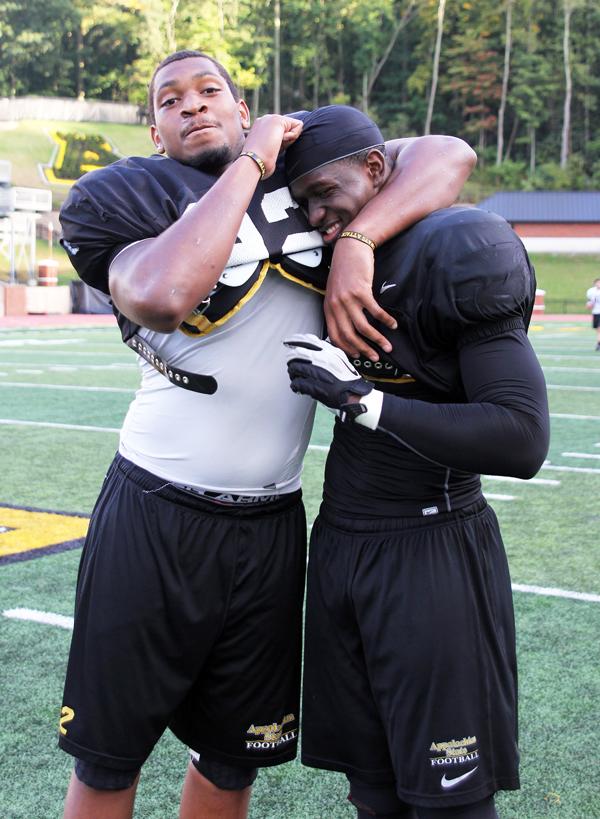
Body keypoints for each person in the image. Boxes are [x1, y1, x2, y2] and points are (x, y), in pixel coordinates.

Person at [57, 53, 475, 819]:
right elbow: (162, 293)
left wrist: (357, 239)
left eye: (209, 91)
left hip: (273, 519)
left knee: (231, 757)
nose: (193, 106)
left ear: (244, 105)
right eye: (171, 101)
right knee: (109, 758)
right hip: (156, 508)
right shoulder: (123, 192)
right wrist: (250, 162)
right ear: (154, 129)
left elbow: (448, 154)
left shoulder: (302, 166)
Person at [283, 105, 550, 819]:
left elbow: (522, 436)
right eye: (303, 202)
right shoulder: (328, 237)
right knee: (371, 790)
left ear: (375, 169)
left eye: (323, 194)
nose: (314, 217)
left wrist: (370, 403)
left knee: (450, 802)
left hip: (428, 549)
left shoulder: (458, 244)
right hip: (340, 543)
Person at [585, 277, 600, 350]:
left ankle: (598, 343)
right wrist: (589, 305)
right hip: (595, 312)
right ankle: (598, 342)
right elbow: (588, 304)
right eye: (597, 282)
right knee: (597, 329)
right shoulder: (591, 291)